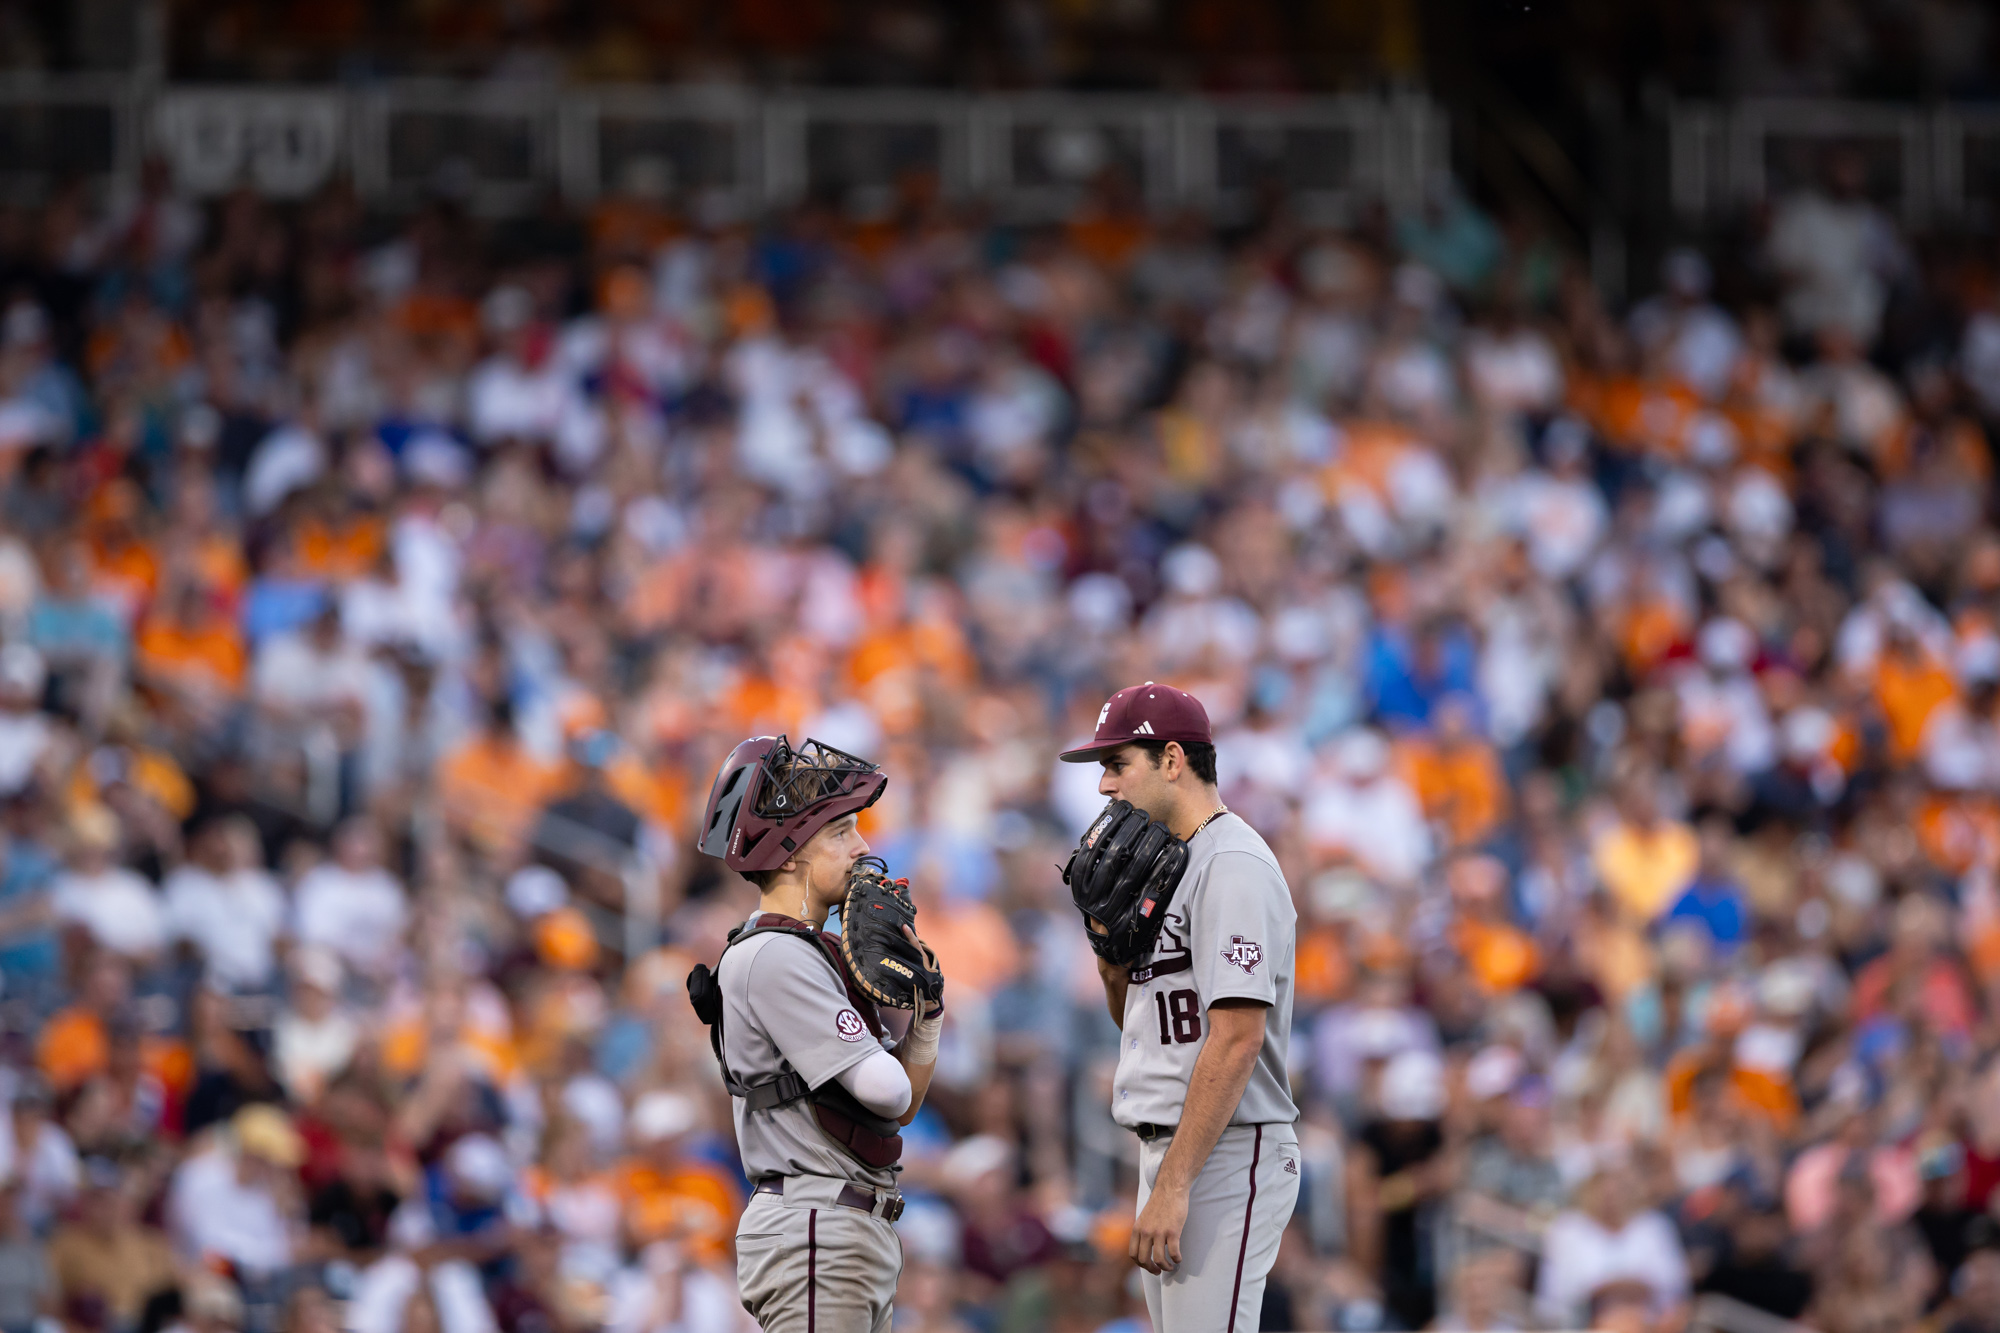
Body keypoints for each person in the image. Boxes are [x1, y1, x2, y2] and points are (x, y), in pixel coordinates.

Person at [1062, 682, 1301, 1332]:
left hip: (1224, 1151)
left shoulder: (1233, 863)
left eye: (1117, 763)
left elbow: (1237, 1039)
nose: (1105, 784)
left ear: (1172, 759)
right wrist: (1111, 957)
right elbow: (1145, 1023)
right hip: (1175, 1148)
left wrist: (1174, 1184)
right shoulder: (1160, 866)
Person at [692, 735, 945, 1332]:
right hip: (814, 1227)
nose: (861, 848)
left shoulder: (808, 950)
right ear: (786, 854)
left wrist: (926, 1018)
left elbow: (895, 1111)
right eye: (839, 832)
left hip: (840, 1227)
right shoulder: (776, 953)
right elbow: (887, 1090)